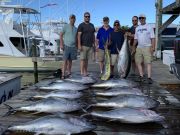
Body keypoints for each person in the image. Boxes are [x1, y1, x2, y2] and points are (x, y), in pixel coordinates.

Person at [132, 14, 155, 84]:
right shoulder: (137, 28)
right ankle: (141, 76)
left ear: (145, 18)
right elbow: (135, 39)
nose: (141, 19)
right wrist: (133, 46)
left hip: (147, 46)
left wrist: (153, 47)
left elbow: (153, 38)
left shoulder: (149, 27)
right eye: (140, 18)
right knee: (138, 62)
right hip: (139, 47)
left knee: (148, 62)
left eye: (142, 18)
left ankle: (149, 77)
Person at [77, 12, 96, 77]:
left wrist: (94, 44)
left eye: (88, 16)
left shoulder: (92, 25)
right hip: (83, 45)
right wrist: (79, 45)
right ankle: (82, 72)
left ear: (89, 17)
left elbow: (93, 35)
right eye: (86, 16)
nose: (87, 17)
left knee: (87, 60)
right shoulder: (81, 25)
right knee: (82, 59)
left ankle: (85, 71)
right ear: (84, 17)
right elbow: (79, 36)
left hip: (90, 45)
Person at [60, 14, 77, 79]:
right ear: (69, 19)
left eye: (73, 18)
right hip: (66, 46)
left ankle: (69, 72)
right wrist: (61, 44)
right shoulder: (66, 26)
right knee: (65, 61)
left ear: (75, 19)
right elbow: (61, 35)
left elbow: (76, 38)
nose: (72, 19)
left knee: (70, 61)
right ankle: (63, 74)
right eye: (71, 18)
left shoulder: (76, 28)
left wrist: (77, 46)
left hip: (73, 47)